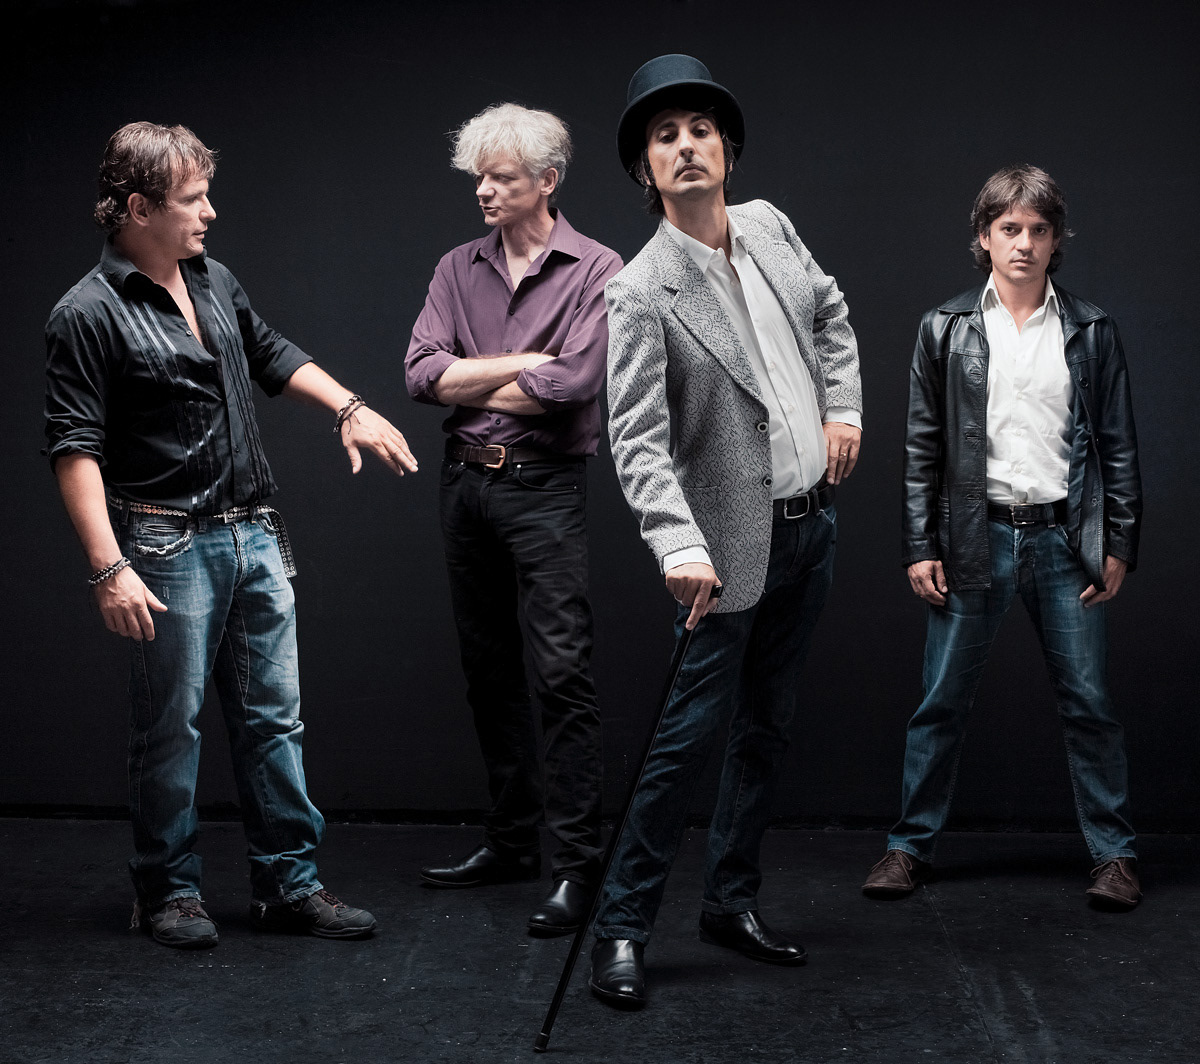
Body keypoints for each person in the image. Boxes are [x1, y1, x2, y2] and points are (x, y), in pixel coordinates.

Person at [45, 121, 418, 949]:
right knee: (169, 731)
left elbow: (270, 352)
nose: (210, 212)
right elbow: (74, 447)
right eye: (193, 199)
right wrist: (108, 568)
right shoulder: (86, 312)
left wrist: (350, 408)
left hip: (255, 535)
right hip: (164, 546)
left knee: (274, 722)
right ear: (139, 209)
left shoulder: (212, 278)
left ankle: (289, 885)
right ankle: (168, 894)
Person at [591, 54, 863, 1009]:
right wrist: (678, 542)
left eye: (699, 130)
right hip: (723, 554)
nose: (685, 146)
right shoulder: (639, 291)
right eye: (664, 137)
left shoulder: (771, 226)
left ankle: (729, 903)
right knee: (681, 745)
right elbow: (635, 437)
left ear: (728, 152)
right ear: (646, 169)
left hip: (809, 530)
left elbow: (830, 314)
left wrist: (843, 410)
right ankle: (622, 927)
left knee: (767, 728)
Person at [862, 165, 1143, 910]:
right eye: (1009, 228)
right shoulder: (945, 327)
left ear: (1056, 240)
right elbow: (922, 447)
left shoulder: (1091, 329)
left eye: (1038, 230)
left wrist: (1119, 543)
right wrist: (920, 545)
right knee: (940, 701)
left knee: (1090, 703)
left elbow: (1117, 445)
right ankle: (908, 848)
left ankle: (1114, 858)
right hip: (972, 537)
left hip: (1065, 541)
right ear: (983, 237)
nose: (1024, 243)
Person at [405, 104, 621, 935]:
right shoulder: (455, 267)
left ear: (546, 181)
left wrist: (473, 379)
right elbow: (419, 374)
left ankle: (577, 866)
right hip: (464, 487)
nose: (483, 192)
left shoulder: (599, 269)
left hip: (544, 490)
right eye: (479, 178)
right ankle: (510, 841)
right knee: (487, 670)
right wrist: (526, 363)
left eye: (500, 178)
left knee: (562, 674)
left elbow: (575, 385)